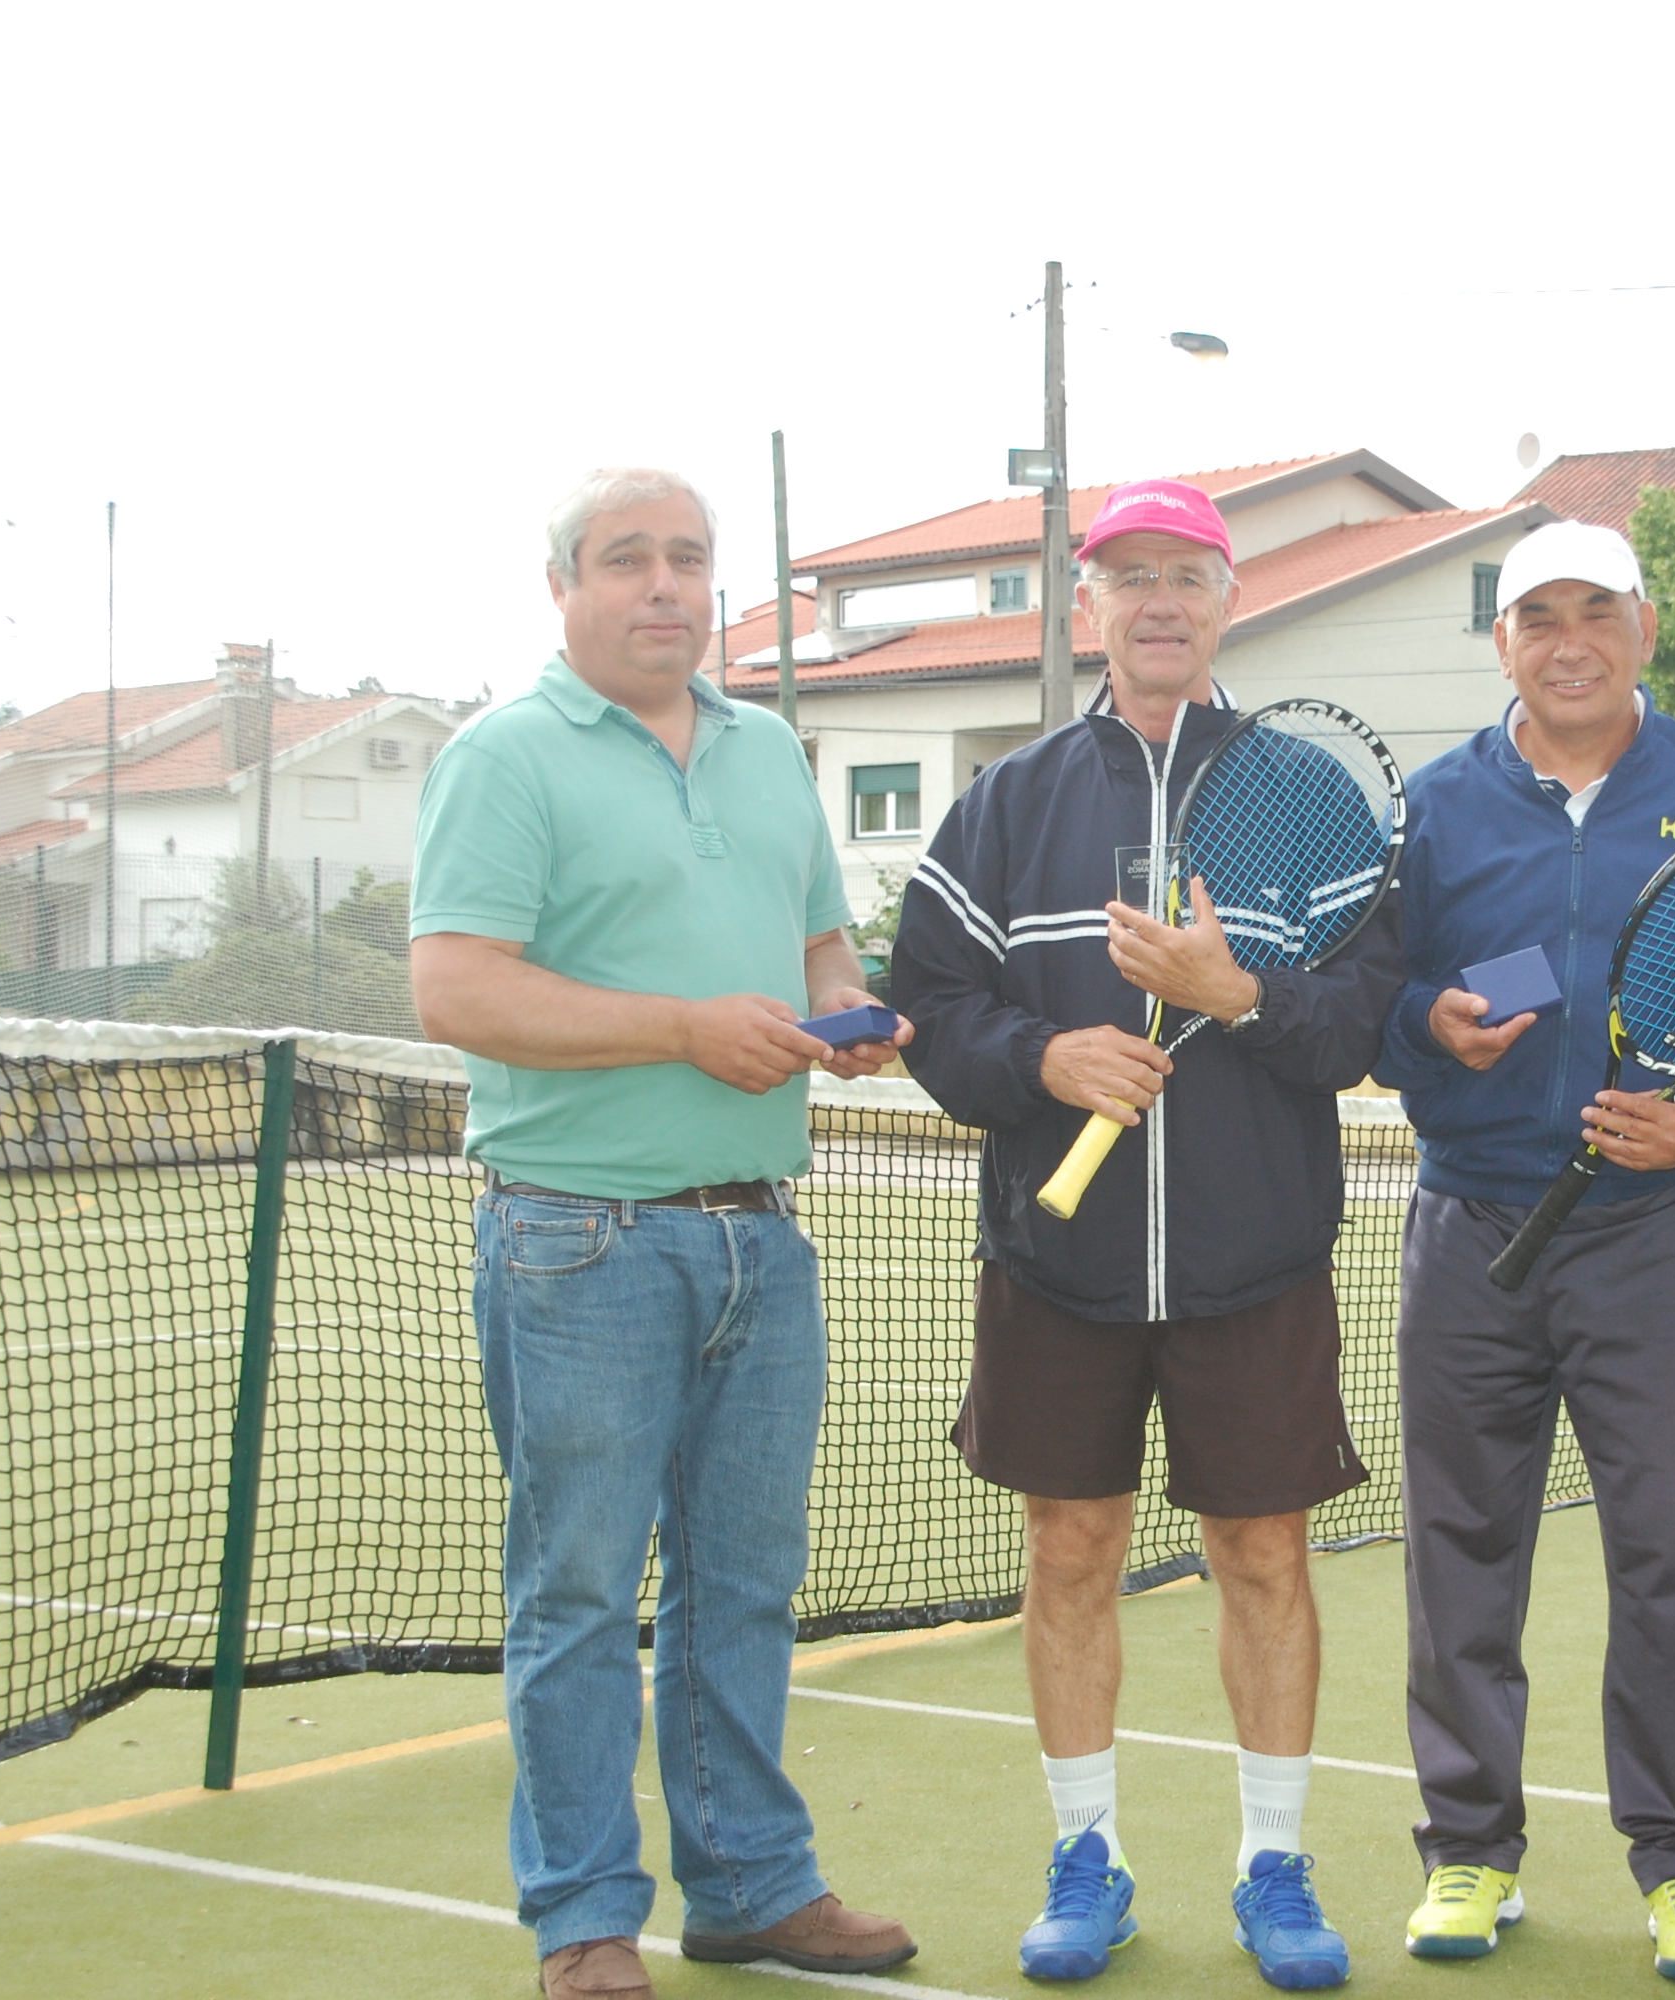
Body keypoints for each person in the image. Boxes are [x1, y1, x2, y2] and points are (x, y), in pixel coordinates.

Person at [410, 468, 918, 2000]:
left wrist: (844, 1015)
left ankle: (753, 1887)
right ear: (562, 585)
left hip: (762, 1240)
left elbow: (818, 933)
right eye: (626, 559)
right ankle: (581, 1917)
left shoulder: (770, 751)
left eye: (687, 561)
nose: (663, 586)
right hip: (578, 1242)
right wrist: (685, 1029)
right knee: (577, 1595)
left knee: (743, 1584)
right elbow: (457, 990)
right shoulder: (502, 758)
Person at [892, 478, 1402, 1991]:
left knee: (1262, 1550)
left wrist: (1244, 993)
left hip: (1257, 1263)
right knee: (1072, 1548)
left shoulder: (1311, 797)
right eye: (1131, 577)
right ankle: (1087, 1858)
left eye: (1188, 573)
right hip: (1058, 1265)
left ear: (1231, 600)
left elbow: (1367, 1023)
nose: (1161, 600)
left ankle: (1276, 1866)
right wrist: (1043, 1062)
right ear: (1086, 612)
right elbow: (936, 1013)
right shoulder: (1006, 803)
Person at [1369, 521, 1675, 1983]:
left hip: (1660, 1242)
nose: (1568, 641)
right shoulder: (1434, 811)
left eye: (1596, 612)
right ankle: (1468, 1856)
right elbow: (1373, 1000)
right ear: (1501, 643)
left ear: (1644, 626)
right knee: (1459, 1562)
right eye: (1536, 617)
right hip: (1468, 1229)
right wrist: (1421, 1028)